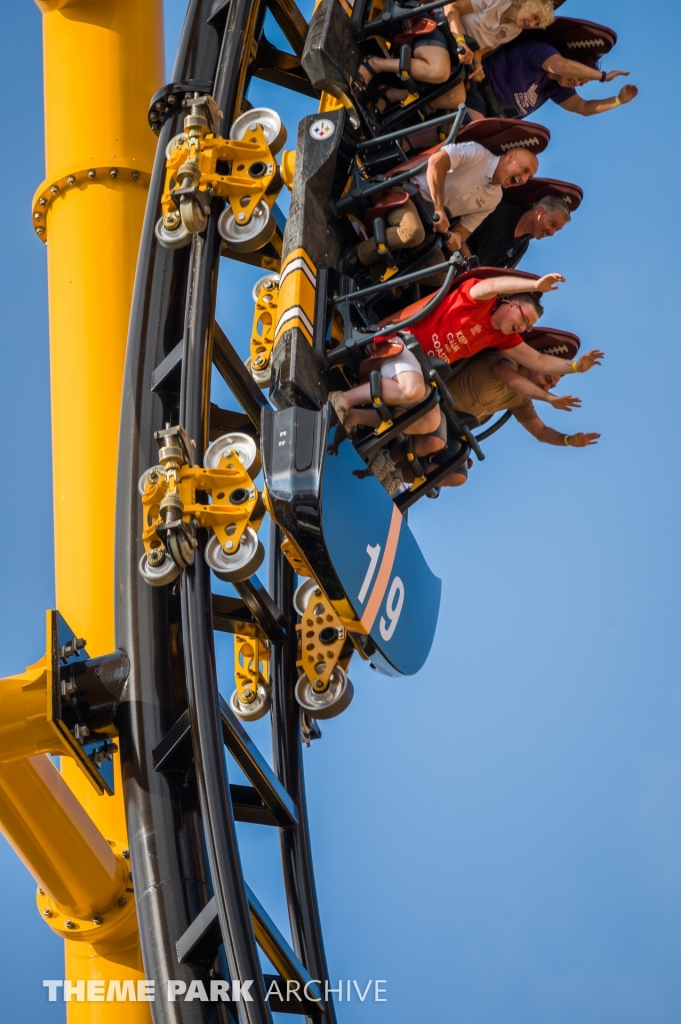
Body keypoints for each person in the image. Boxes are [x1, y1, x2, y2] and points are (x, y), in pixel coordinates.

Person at [329, 272, 604, 435]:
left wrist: (577, 367)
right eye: (523, 317)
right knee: (413, 390)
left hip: (417, 364)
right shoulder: (476, 297)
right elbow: (494, 285)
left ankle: (352, 418)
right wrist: (534, 286)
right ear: (509, 303)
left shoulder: (500, 336)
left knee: (430, 422)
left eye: (527, 326)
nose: (522, 327)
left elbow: (538, 360)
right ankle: (341, 400)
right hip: (401, 340)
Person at [352, 140, 538, 270]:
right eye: (524, 170)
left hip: (429, 222)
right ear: (511, 156)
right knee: (413, 232)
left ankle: (374, 273)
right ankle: (357, 256)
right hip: (407, 195)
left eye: (528, 177)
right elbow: (437, 161)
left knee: (439, 276)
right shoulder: (477, 153)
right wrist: (439, 208)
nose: (523, 179)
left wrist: (457, 237)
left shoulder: (495, 198)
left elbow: (465, 229)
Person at [465, 35, 638, 119]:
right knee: (477, 134)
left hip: (497, 117)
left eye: (581, 83)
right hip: (478, 88)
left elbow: (583, 107)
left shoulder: (556, 87)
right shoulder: (542, 52)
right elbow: (561, 65)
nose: (575, 82)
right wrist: (603, 77)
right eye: (579, 75)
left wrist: (618, 100)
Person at [465, 193, 571, 268]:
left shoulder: (522, 246)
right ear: (539, 211)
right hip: (451, 262)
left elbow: (498, 275)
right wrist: (473, 268)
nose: (552, 233)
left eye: (556, 230)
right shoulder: (498, 210)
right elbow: (460, 234)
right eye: (552, 224)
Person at [445, 0, 554, 65]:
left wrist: (478, 65)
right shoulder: (497, 1)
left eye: (536, 24)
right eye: (534, 17)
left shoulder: (515, 31)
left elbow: (480, 52)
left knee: (460, 97)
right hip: (446, 30)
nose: (531, 24)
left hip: (461, 53)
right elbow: (452, 7)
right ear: (523, 2)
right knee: (442, 74)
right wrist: (460, 41)